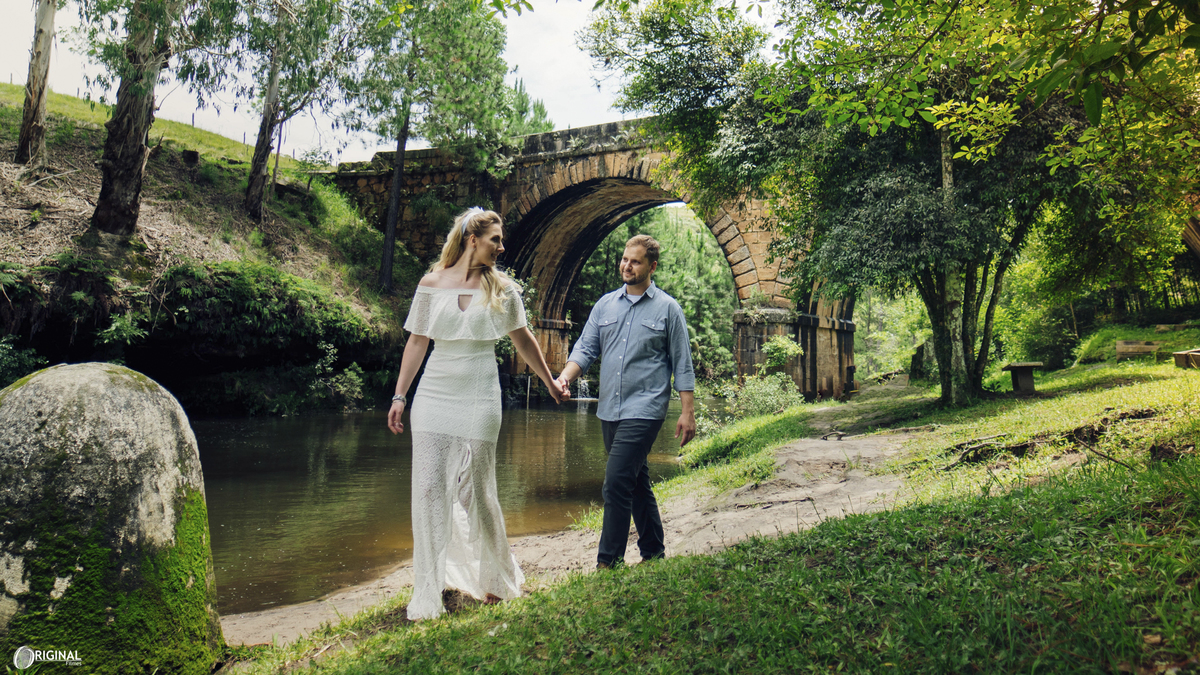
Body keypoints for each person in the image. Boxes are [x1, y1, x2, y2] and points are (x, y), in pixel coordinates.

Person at [388, 207, 567, 620]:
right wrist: (400, 396)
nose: (501, 248)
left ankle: (496, 580)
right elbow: (417, 342)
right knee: (428, 491)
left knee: (478, 493)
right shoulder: (431, 284)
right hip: (434, 394)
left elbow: (523, 339)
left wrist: (549, 380)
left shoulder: (503, 289)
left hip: (480, 395)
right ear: (472, 239)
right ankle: (428, 589)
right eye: (495, 240)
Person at [556, 234, 696, 569]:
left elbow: (682, 363)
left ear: (652, 266)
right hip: (609, 409)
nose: (627, 266)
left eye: (635, 261)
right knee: (635, 481)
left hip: (645, 409)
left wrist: (687, 412)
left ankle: (608, 563)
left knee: (616, 481)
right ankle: (654, 552)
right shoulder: (605, 305)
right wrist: (564, 378)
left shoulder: (668, 309)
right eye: (624, 259)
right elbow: (585, 348)